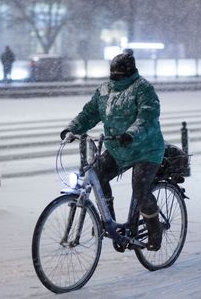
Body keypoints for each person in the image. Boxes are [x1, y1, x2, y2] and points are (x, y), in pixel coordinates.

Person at [60, 49, 165, 251]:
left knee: (141, 191)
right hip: (118, 149)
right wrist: (72, 129)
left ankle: (155, 231)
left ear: (129, 71)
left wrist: (131, 134)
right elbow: (90, 113)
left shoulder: (143, 89)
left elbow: (147, 117)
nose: (115, 76)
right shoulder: (104, 90)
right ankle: (111, 223)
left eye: (118, 73)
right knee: (97, 175)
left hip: (146, 150)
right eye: (113, 72)